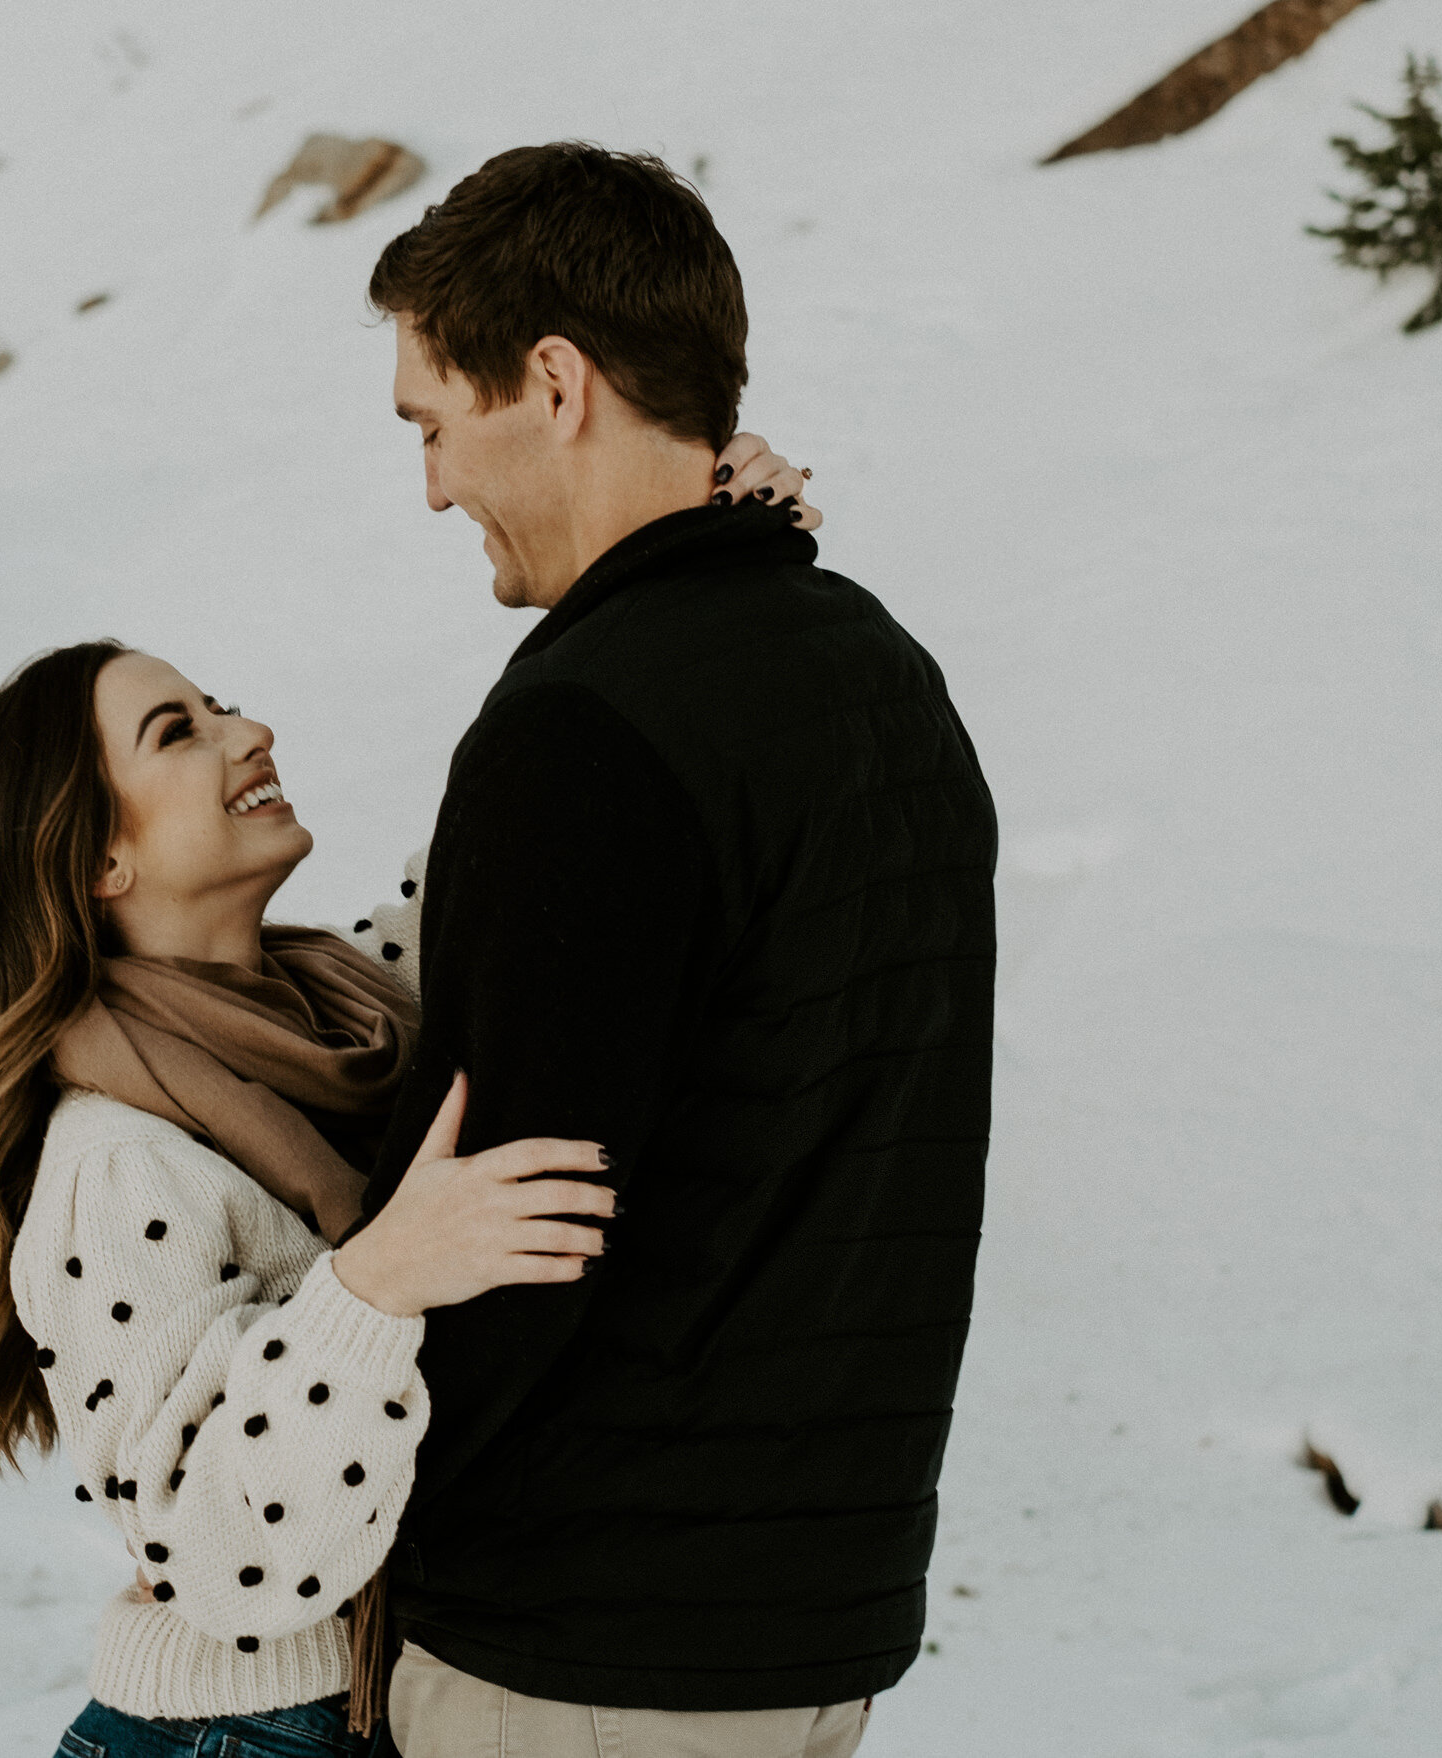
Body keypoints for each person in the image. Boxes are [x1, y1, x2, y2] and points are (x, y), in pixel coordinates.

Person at [0, 440, 805, 1758]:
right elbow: (218, 1560)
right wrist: (377, 1284)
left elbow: (504, 855)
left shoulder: (334, 1014)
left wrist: (675, 556)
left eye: (222, 703)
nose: (248, 731)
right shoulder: (116, 1162)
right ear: (95, 854)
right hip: (239, 1735)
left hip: (370, 1702)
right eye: (177, 731)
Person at [352, 144, 999, 1758]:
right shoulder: (885, 677)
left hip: (577, 1656)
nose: (432, 486)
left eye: (433, 423)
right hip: (810, 1626)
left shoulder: (584, 727)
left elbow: (508, 1220)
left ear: (553, 381)